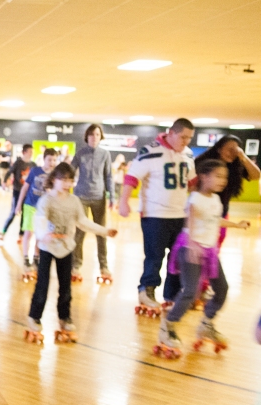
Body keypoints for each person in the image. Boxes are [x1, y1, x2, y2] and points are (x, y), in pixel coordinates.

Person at [155, 159, 250, 358]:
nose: (223, 180)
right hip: (191, 248)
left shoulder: (215, 200)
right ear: (204, 176)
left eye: (224, 177)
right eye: (218, 176)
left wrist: (236, 224)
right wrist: (190, 244)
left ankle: (206, 324)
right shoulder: (194, 198)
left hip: (209, 251)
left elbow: (215, 220)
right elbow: (190, 220)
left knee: (222, 289)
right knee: (190, 291)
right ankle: (168, 326)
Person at [25, 163, 118, 343]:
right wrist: (44, 235)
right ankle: (34, 316)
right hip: (47, 248)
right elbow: (40, 220)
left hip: (66, 247)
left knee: (66, 287)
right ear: (54, 180)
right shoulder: (47, 199)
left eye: (70, 180)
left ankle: (65, 317)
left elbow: (83, 221)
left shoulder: (74, 201)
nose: (67, 184)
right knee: (42, 286)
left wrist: (104, 231)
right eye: (63, 180)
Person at [118, 118, 196, 314]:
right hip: (155, 214)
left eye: (189, 138)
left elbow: (193, 182)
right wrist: (123, 201)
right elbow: (131, 177)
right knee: (155, 256)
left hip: (179, 214)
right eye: (183, 136)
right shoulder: (150, 151)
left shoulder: (187, 154)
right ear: (171, 132)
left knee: (178, 257)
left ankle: (171, 295)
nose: (186, 141)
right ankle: (147, 290)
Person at [70, 124, 114, 282]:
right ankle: (76, 265)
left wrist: (112, 197)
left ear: (100, 136)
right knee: (79, 232)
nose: (94, 137)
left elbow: (108, 176)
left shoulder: (105, 154)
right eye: (91, 134)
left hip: (99, 198)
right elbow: (70, 171)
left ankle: (104, 266)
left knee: (101, 233)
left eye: (97, 134)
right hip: (80, 197)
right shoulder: (80, 153)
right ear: (87, 137)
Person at [16, 147, 58, 279]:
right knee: (29, 233)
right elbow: (25, 188)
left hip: (43, 209)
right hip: (30, 206)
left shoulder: (55, 175)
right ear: (44, 159)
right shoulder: (35, 171)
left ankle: (35, 258)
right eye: (49, 159)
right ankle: (25, 258)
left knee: (40, 236)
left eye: (54, 160)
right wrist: (18, 205)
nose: (51, 162)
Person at [194, 135, 260, 220]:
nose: (232, 153)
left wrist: (243, 156)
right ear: (219, 149)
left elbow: (256, 176)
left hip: (221, 214)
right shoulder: (204, 164)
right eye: (229, 149)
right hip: (200, 211)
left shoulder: (235, 167)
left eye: (235, 150)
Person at [0, 144, 36, 242]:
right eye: (30, 152)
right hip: (17, 191)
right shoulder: (18, 163)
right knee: (14, 212)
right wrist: (4, 182)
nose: (32, 154)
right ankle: (3, 231)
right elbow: (9, 172)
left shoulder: (33, 165)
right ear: (24, 152)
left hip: (28, 193)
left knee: (25, 214)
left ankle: (21, 235)